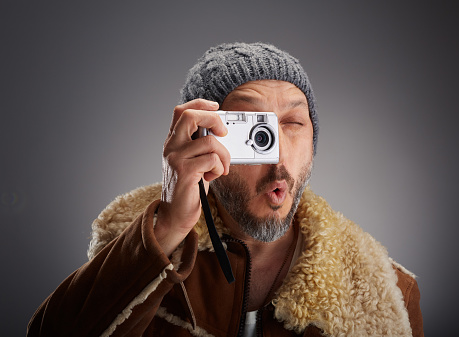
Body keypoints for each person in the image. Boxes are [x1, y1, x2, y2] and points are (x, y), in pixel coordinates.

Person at [27, 42, 423, 337]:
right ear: (200, 139)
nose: (278, 155)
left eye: (293, 123)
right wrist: (167, 227)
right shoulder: (136, 248)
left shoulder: (386, 292)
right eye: (254, 129)